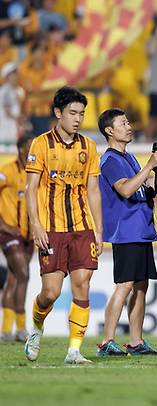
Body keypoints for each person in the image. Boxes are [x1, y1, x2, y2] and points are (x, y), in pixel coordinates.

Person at [24, 87, 103, 364]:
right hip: (52, 228)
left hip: (82, 227)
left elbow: (93, 190)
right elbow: (31, 188)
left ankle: (74, 351)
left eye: (81, 114)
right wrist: (36, 225)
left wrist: (99, 230)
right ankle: (35, 326)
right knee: (51, 293)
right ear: (58, 113)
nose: (78, 119)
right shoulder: (41, 144)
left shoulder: (89, 147)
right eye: (72, 113)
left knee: (82, 285)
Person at [96, 108, 157, 357]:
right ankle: (107, 341)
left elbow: (144, 186)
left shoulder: (129, 158)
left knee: (140, 286)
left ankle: (136, 342)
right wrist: (149, 165)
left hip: (141, 229)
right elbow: (125, 190)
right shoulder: (110, 160)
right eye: (123, 123)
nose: (129, 126)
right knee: (124, 285)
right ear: (109, 130)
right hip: (125, 231)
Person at [0, 134, 34, 342]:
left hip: (29, 234)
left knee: (14, 279)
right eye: (31, 146)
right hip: (10, 232)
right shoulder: (7, 172)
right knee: (23, 274)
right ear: (21, 149)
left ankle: (7, 329)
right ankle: (20, 329)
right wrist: (3, 224)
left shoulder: (36, 173)